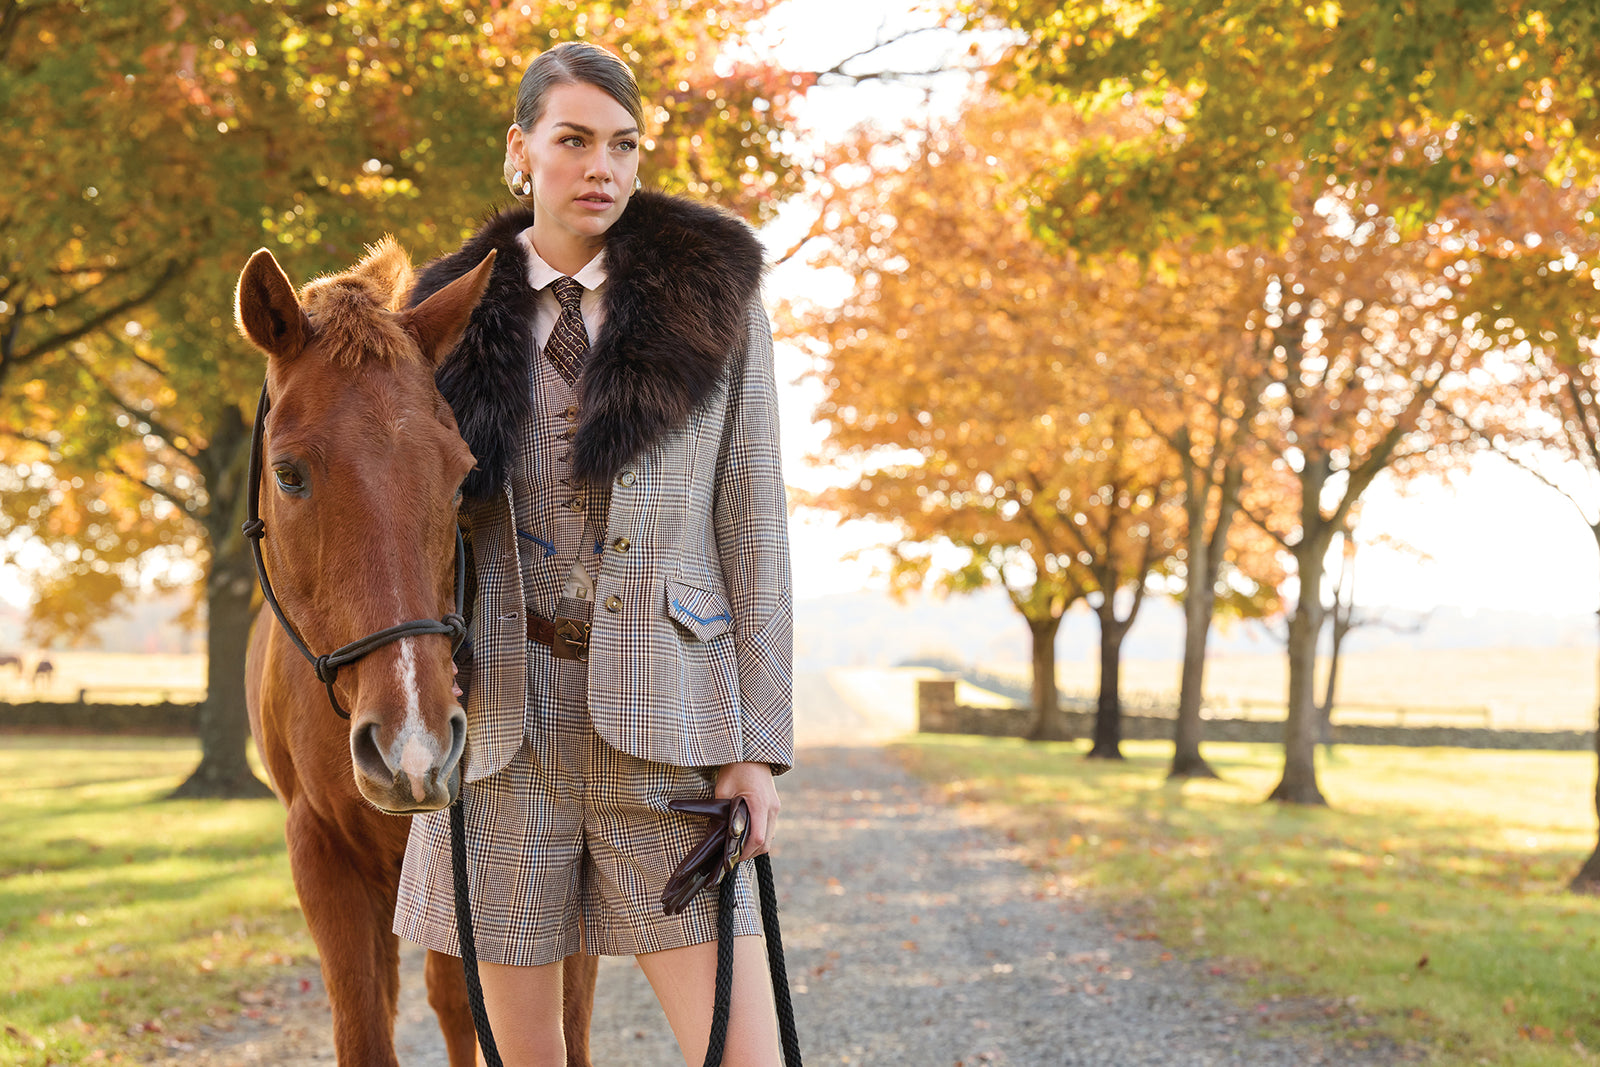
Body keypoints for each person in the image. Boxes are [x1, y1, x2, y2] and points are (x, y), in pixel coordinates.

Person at [392, 40, 793, 1066]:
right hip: (501, 738)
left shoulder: (718, 306)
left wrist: (756, 744)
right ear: (520, 150)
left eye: (624, 144)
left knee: (743, 1054)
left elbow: (754, 531)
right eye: (573, 140)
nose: (601, 167)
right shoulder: (439, 321)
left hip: (669, 733)